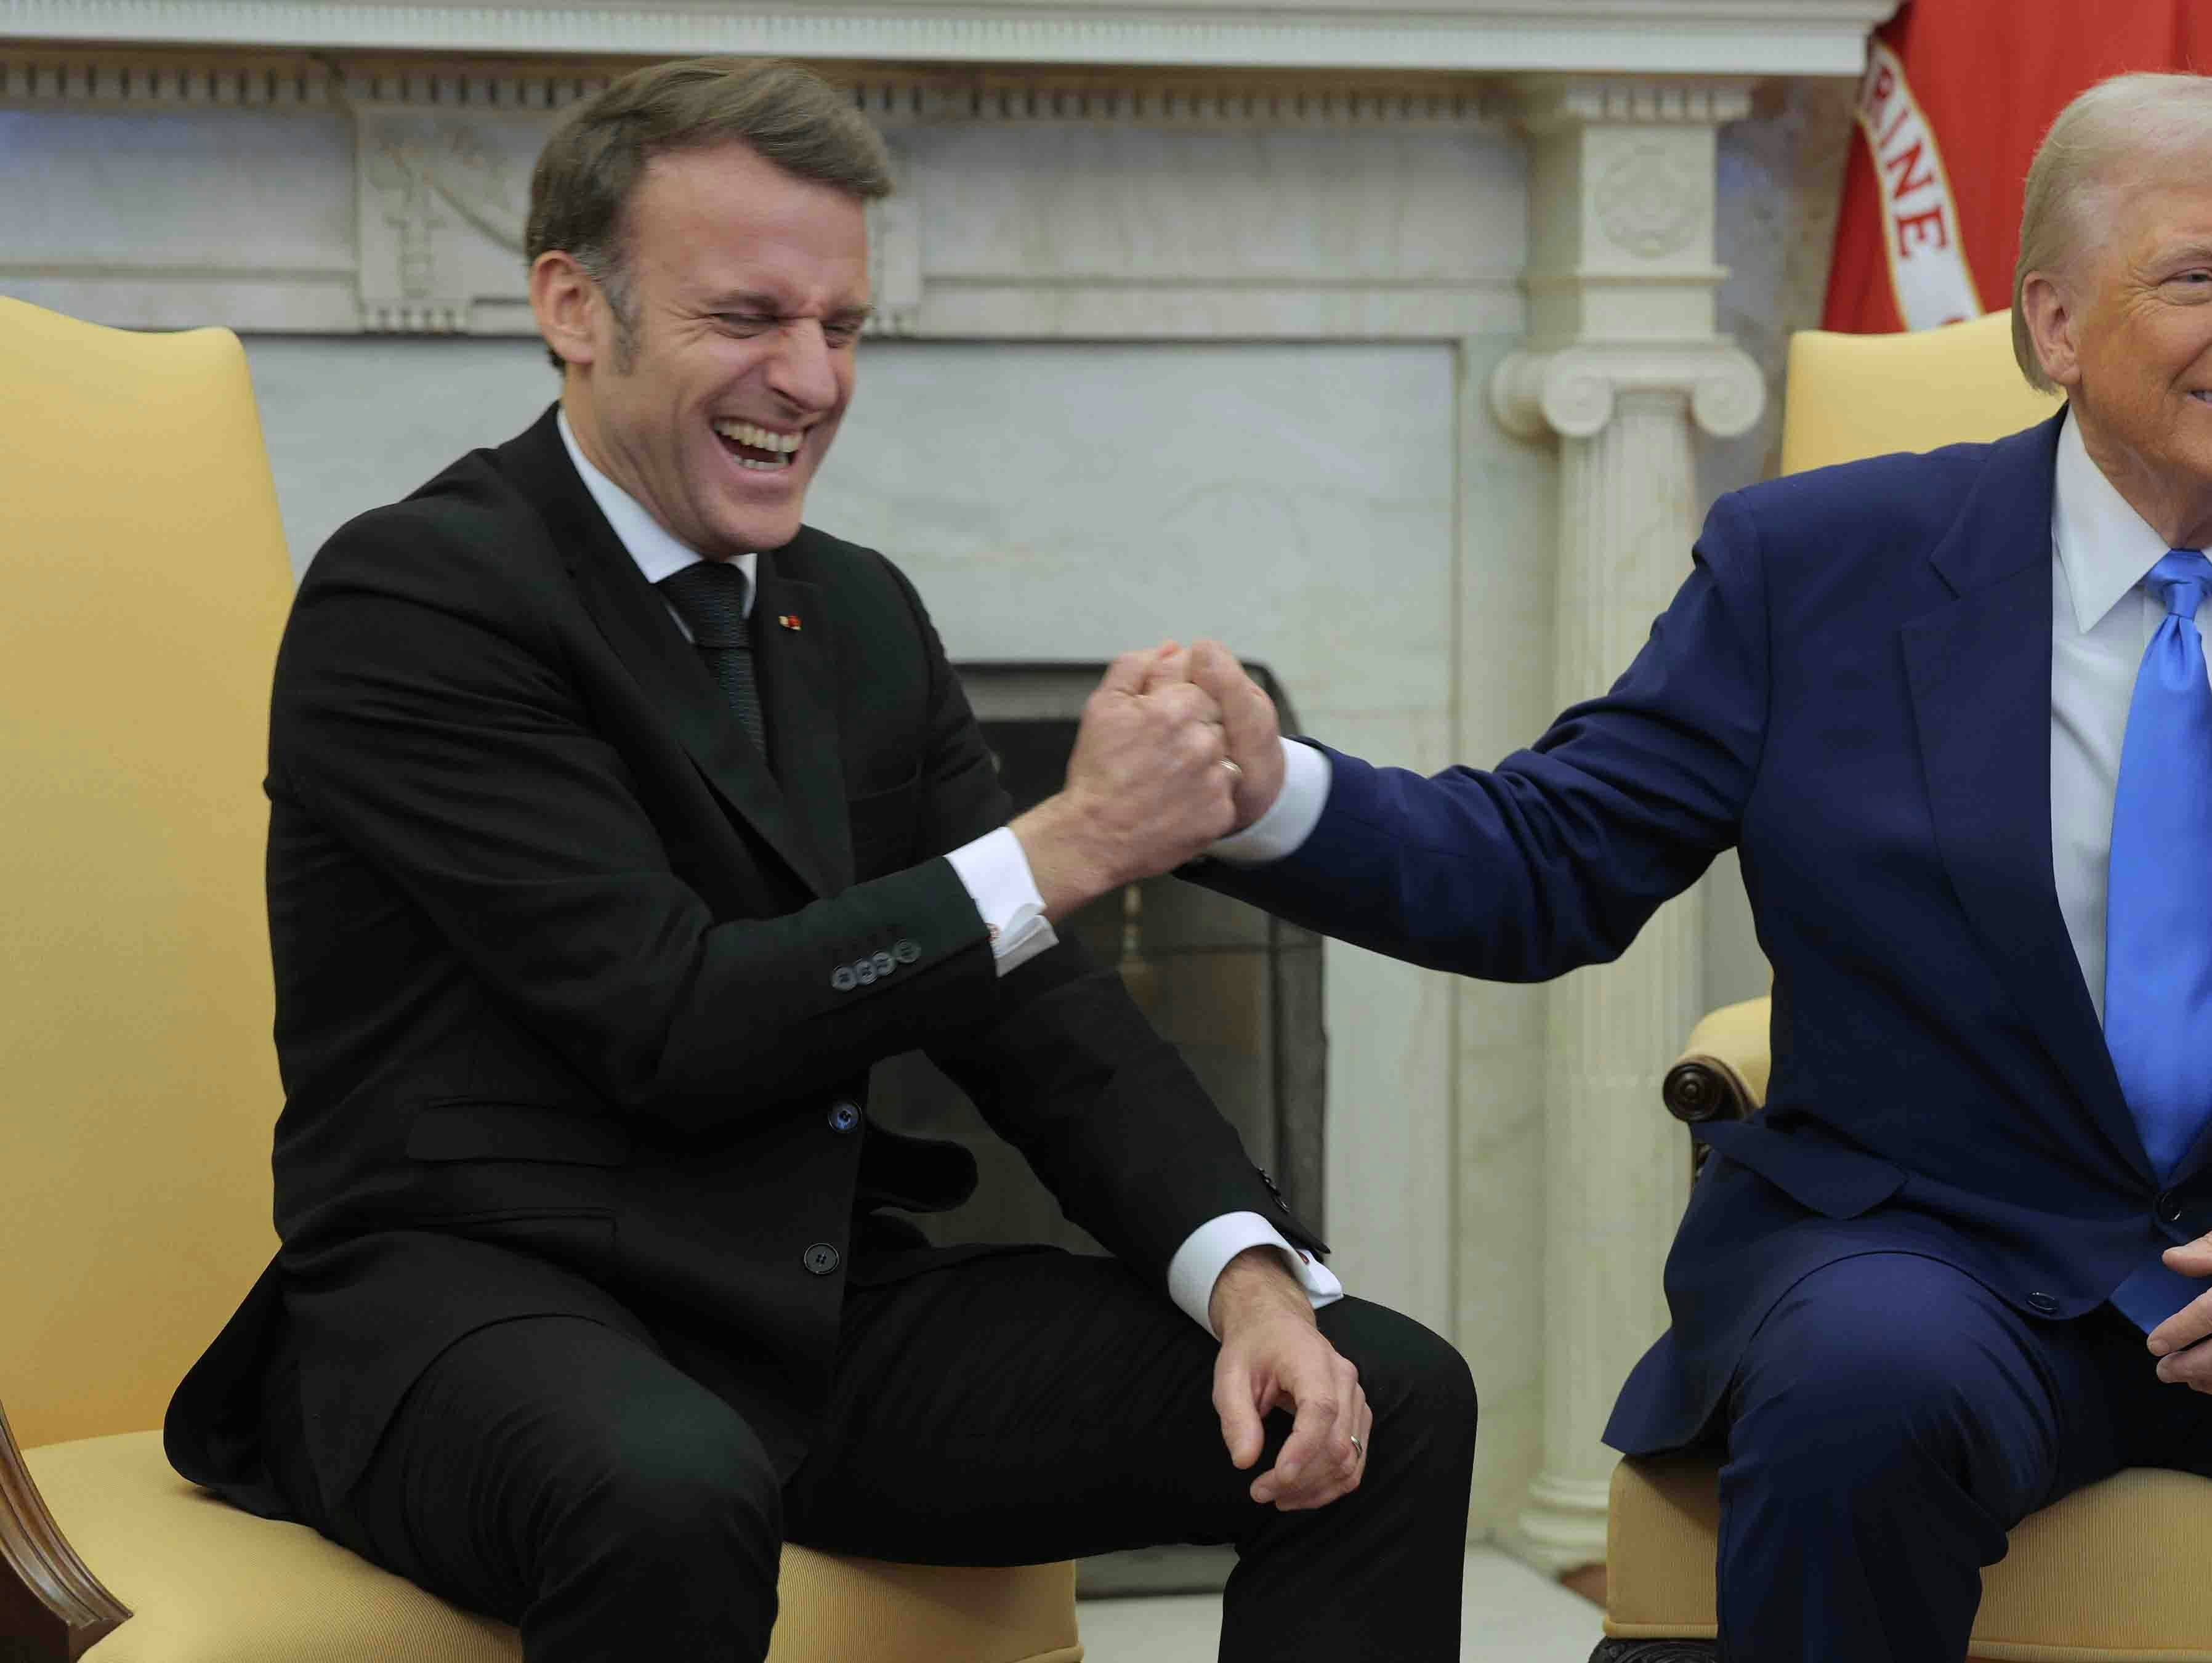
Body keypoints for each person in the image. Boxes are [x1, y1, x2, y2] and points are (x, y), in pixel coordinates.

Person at [1184, 72, 2212, 1662]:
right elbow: (1549, 859)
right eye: (2196, 277)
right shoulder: (1814, 569)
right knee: (1859, 1384)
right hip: (1946, 1253)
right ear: (2055, 328)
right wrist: (1269, 793)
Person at [159, 55, 1473, 1663]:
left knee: (1383, 1391)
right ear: (576, 308)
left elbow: (1032, 1013)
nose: (812, 378)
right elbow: (674, 1020)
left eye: (841, 326)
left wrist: (1254, 1279)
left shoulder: (854, 612)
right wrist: (1070, 837)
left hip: (806, 1310)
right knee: (665, 1484)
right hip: (476, 1306)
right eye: (749, 319)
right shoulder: (417, 602)